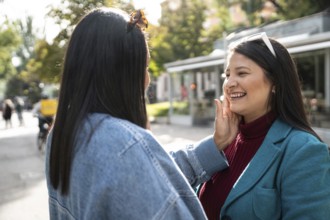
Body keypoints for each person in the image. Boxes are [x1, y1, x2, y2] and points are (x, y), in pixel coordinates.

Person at [45, 7, 240, 220]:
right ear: (123, 72)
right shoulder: (124, 144)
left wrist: (214, 145)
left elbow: (150, 176)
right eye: (144, 67)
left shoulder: (61, 134)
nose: (148, 79)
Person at [198, 32, 330, 219]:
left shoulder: (304, 150)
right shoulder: (223, 142)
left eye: (242, 73)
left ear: (275, 81)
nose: (229, 83)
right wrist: (215, 144)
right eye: (227, 75)